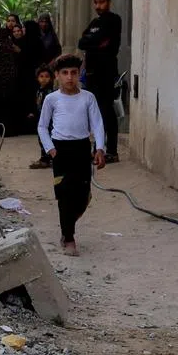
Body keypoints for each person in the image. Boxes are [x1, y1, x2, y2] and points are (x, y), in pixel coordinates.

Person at [37, 53, 107, 255]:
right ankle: (69, 237)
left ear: (80, 74)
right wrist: (51, 149)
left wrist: (100, 148)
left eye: (74, 73)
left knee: (82, 196)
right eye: (65, 73)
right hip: (60, 151)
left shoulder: (88, 98)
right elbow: (42, 126)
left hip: (82, 149)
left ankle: (68, 224)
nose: (70, 77)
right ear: (57, 75)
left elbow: (98, 124)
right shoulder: (52, 99)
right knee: (65, 195)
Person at [77, 0, 122, 163]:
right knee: (95, 113)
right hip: (91, 73)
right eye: (96, 2)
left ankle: (112, 151)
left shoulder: (113, 20)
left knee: (107, 110)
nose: (98, 6)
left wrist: (93, 41)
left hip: (106, 72)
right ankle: (98, 149)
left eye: (102, 2)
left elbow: (102, 41)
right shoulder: (95, 22)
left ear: (109, 2)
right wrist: (94, 41)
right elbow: (82, 42)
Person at [28, 64, 55, 169]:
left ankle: (47, 159)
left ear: (51, 78)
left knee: (47, 139)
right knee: (41, 139)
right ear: (37, 78)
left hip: (49, 121)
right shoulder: (39, 90)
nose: (44, 79)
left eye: (47, 76)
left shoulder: (50, 92)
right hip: (41, 119)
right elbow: (38, 104)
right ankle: (45, 158)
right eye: (41, 76)